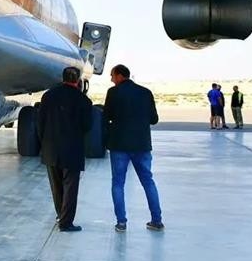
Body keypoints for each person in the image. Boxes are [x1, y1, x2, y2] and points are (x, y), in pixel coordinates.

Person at [102, 64, 164, 232]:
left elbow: (106, 116)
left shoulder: (113, 93)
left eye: (112, 75)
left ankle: (121, 222)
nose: (111, 79)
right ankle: (156, 220)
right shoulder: (145, 92)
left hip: (119, 145)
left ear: (120, 76)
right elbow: (154, 119)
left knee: (118, 183)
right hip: (142, 145)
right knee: (147, 181)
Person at [36, 66, 93, 232]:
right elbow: (87, 126)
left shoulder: (48, 96)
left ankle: (60, 214)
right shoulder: (83, 101)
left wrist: (44, 143)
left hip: (51, 149)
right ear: (78, 81)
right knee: (70, 187)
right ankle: (66, 222)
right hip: (72, 149)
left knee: (56, 185)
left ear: (63, 78)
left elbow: (40, 124)